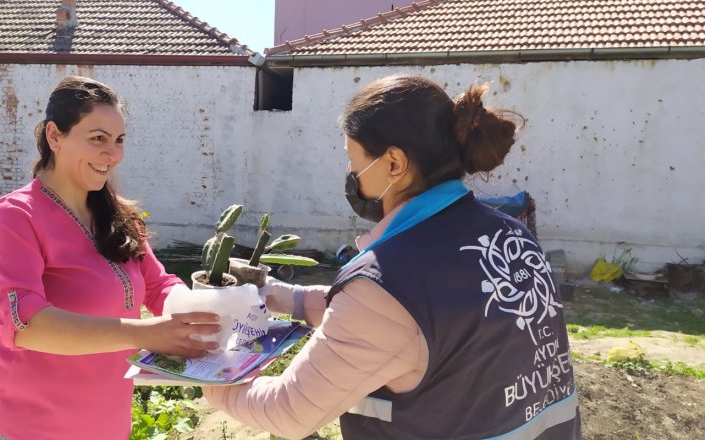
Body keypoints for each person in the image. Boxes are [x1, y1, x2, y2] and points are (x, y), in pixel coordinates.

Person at [204, 75, 581, 440]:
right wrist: (284, 297)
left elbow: (289, 410)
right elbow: (421, 325)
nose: (350, 173)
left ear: (394, 163)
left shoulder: (388, 281)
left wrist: (205, 372)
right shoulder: (513, 236)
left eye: (353, 159)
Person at [0, 76, 220, 440]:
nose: (113, 154)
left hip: (107, 428)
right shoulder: (15, 216)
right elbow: (26, 325)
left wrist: (211, 314)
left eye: (119, 140)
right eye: (98, 138)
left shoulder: (120, 216)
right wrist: (147, 333)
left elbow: (158, 285)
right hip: (26, 429)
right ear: (54, 136)